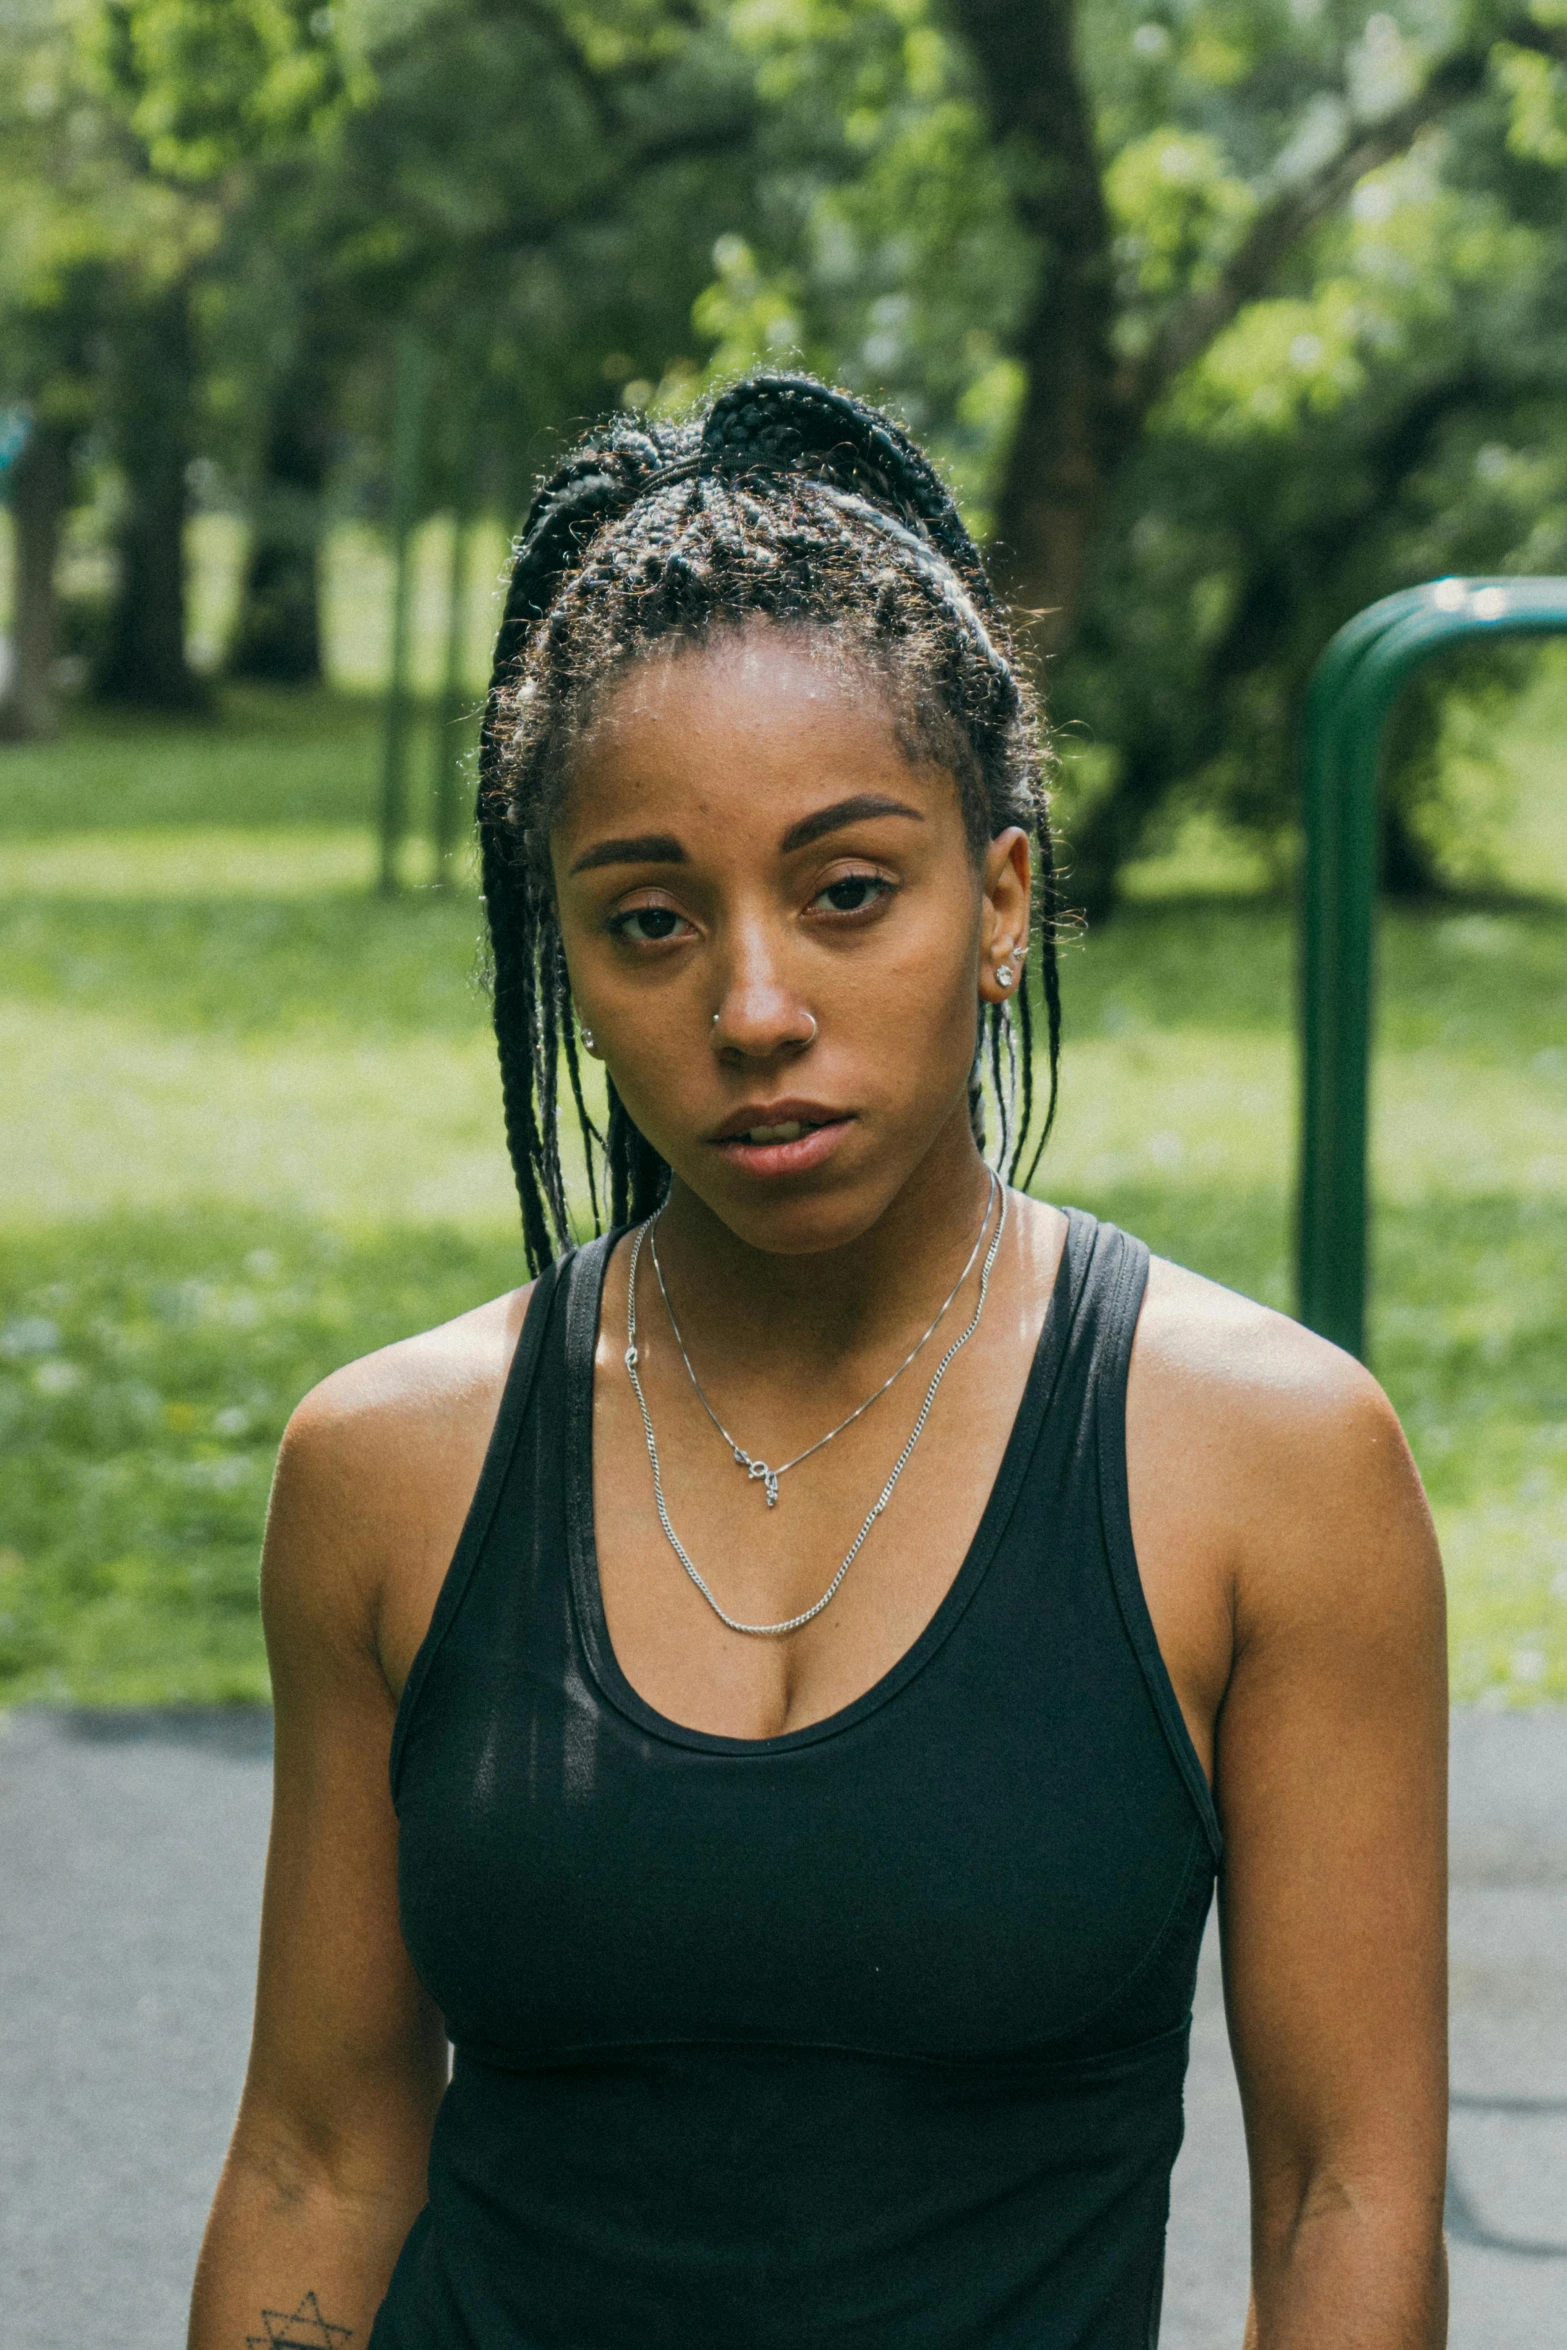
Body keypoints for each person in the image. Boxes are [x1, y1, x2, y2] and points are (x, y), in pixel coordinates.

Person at [189, 373, 1447, 2350]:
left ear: (1003, 900)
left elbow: (1344, 2191)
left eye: (849, 890)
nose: (755, 1004)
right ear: (573, 966)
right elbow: (318, 2160)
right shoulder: (393, 1463)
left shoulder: (1264, 1456)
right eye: (650, 920)